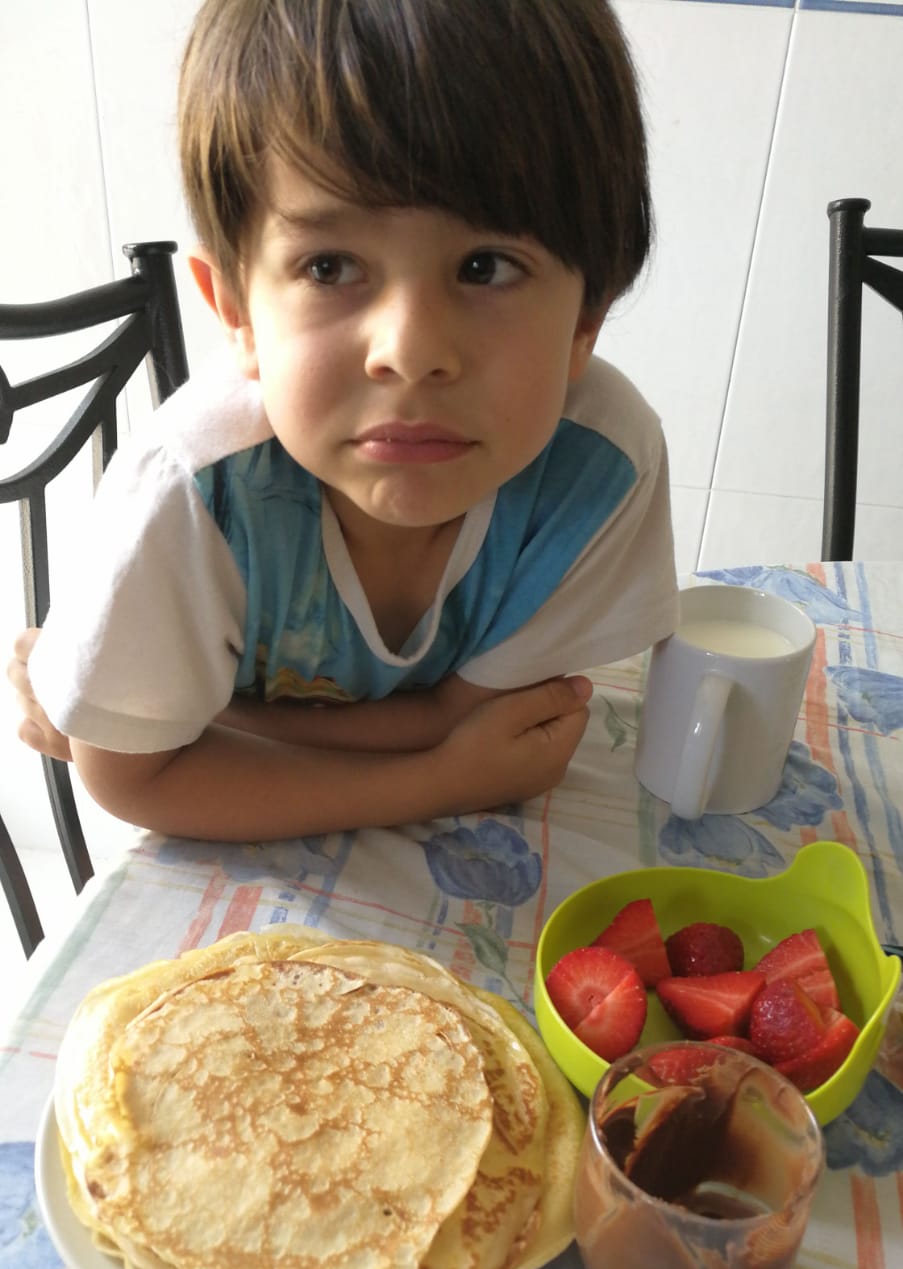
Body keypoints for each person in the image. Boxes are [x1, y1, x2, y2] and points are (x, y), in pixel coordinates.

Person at [9, 0, 678, 842]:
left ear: (587, 318)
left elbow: (478, 715)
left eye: (485, 266)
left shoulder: (601, 464)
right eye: (329, 267)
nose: (410, 352)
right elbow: (135, 779)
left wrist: (196, 722)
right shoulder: (191, 492)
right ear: (237, 313)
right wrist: (441, 778)